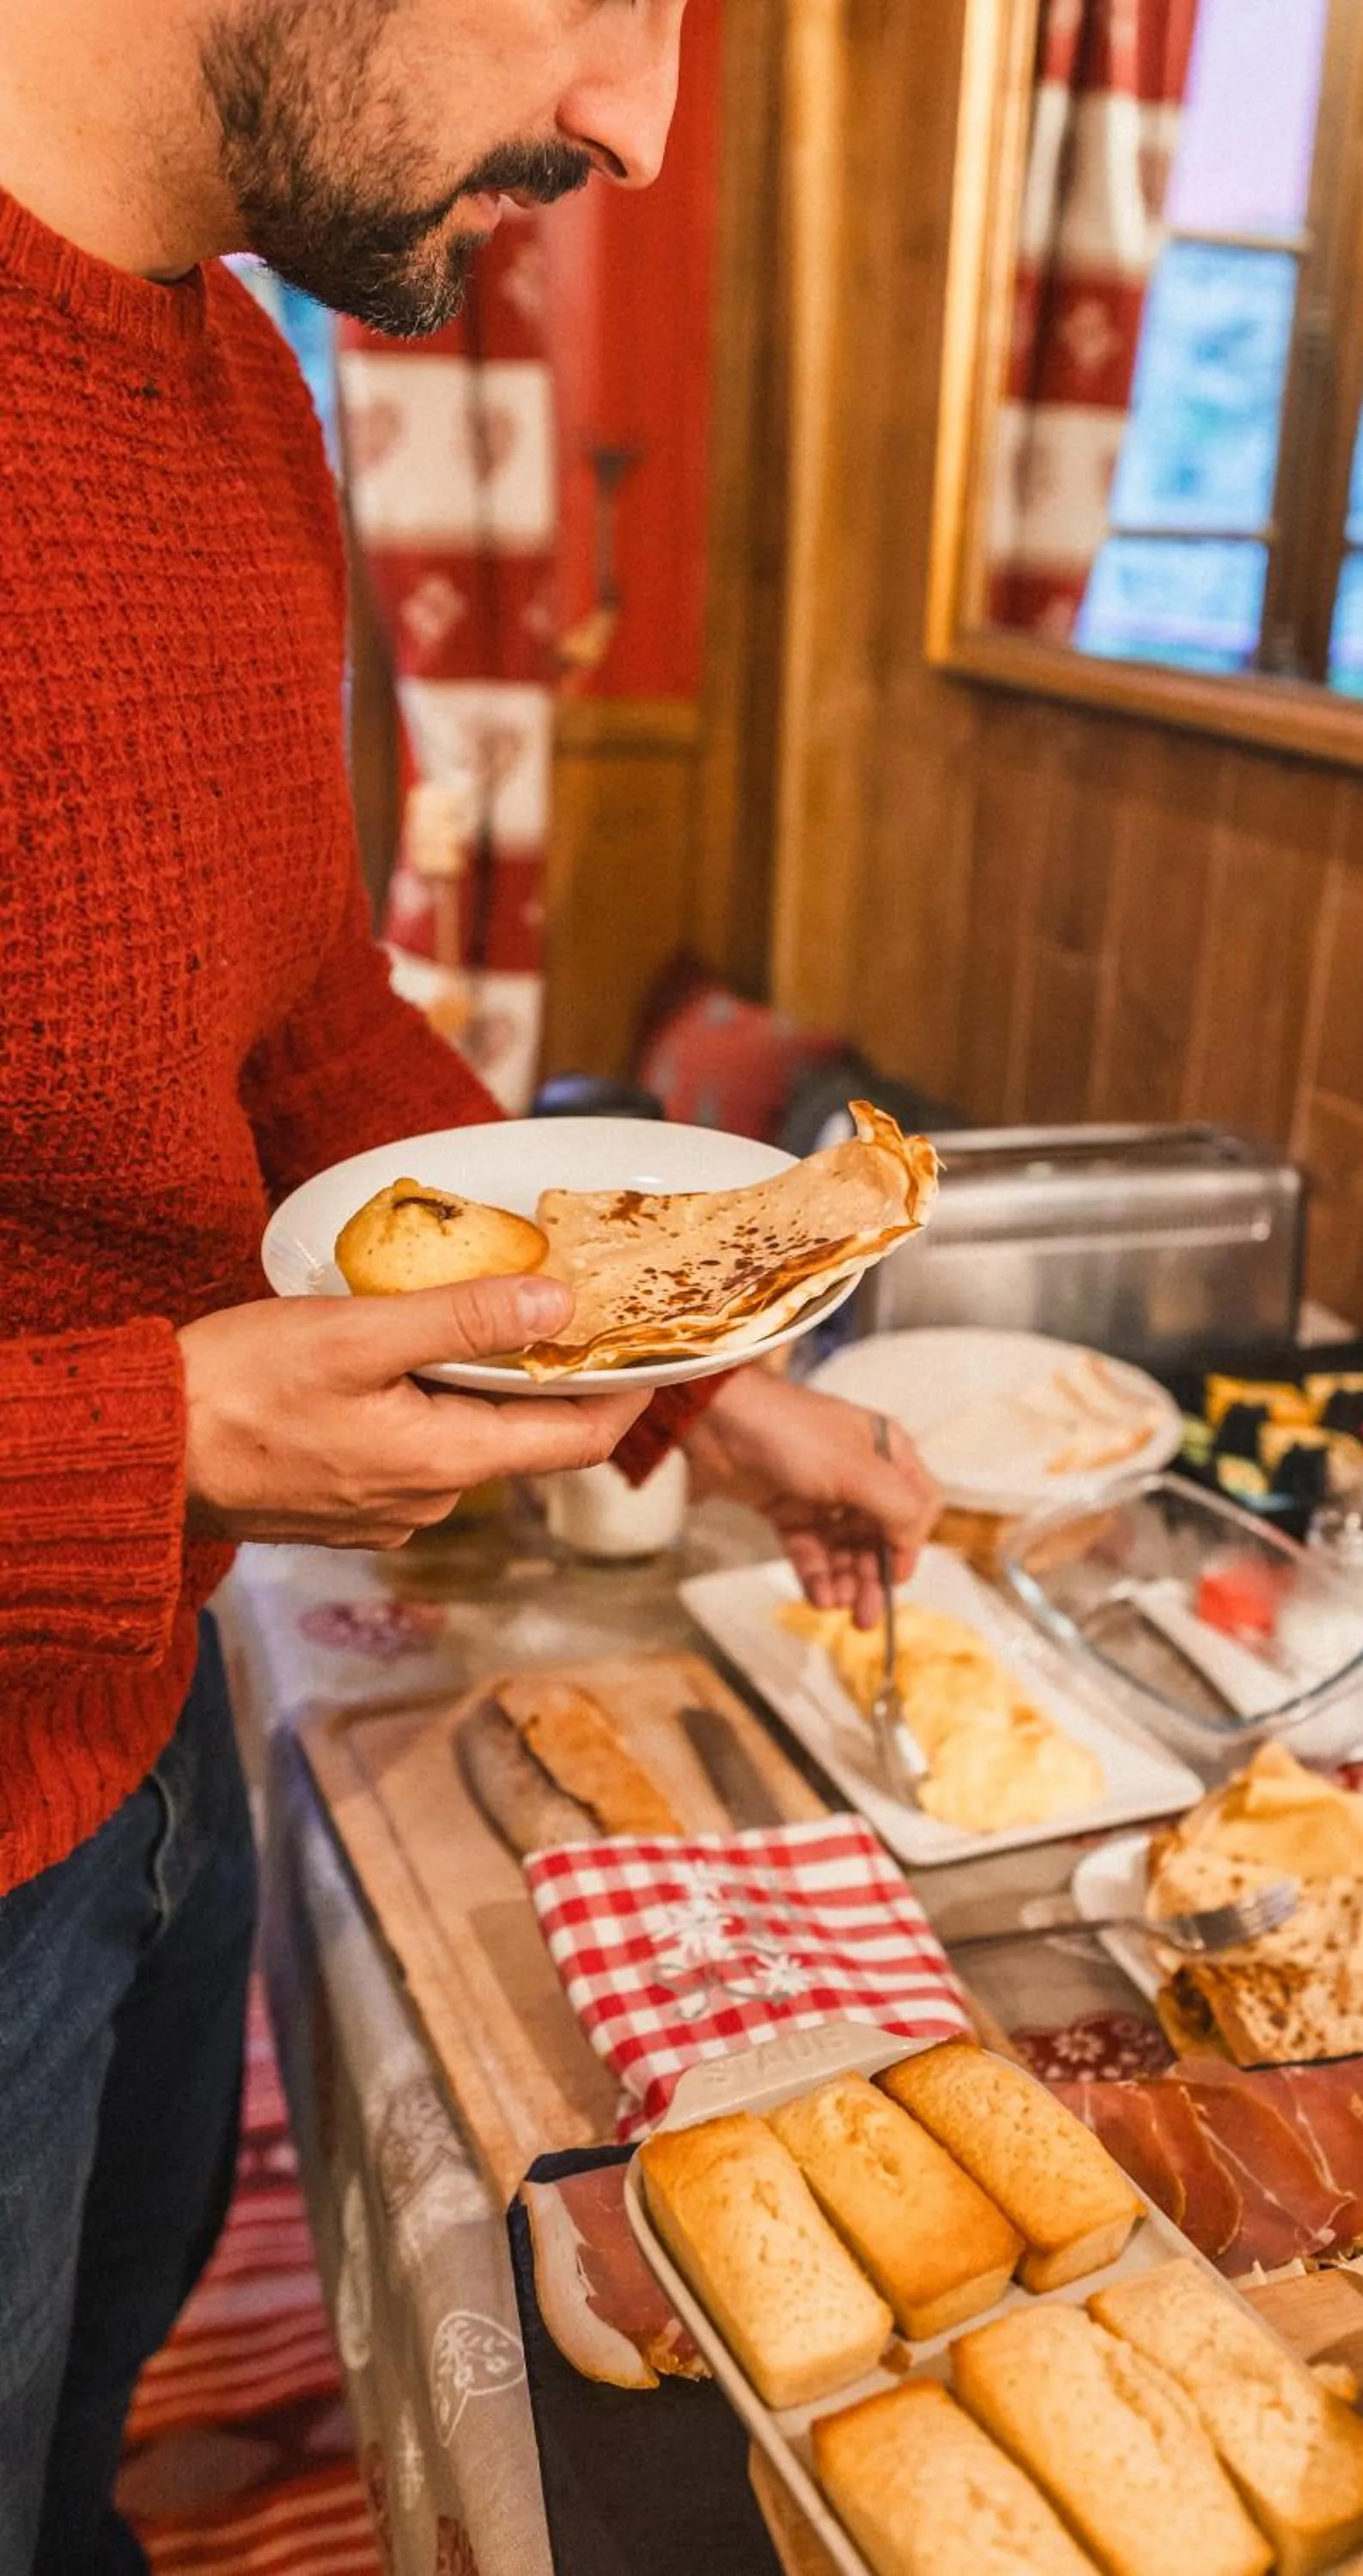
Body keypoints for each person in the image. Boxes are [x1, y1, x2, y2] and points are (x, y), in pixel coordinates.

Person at [0, 3, 940, 2567]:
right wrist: (156, 1442)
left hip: (147, 1717)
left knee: (79, 2441)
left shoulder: (238, 394)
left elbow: (306, 1026)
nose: (641, 124)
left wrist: (691, 1364)